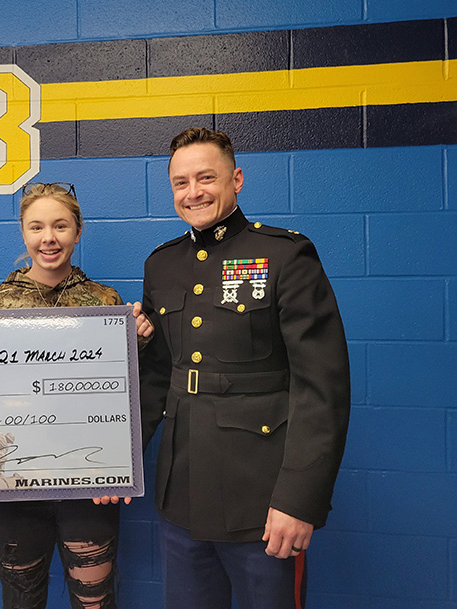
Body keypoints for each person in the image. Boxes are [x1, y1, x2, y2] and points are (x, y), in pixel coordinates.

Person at [138, 127, 350, 609]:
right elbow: (155, 379)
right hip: (182, 500)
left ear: (235, 179)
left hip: (262, 502)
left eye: (206, 177)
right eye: (180, 182)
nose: (193, 193)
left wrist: (299, 499)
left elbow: (322, 388)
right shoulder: (162, 265)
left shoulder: (285, 256)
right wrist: (113, 463)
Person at [0, 182, 151, 609]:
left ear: (78, 231)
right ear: (24, 233)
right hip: (13, 486)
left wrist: (137, 339)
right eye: (37, 227)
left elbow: (121, 396)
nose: (48, 238)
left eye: (60, 226)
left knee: (95, 601)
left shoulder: (107, 304)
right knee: (20, 600)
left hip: (88, 485)